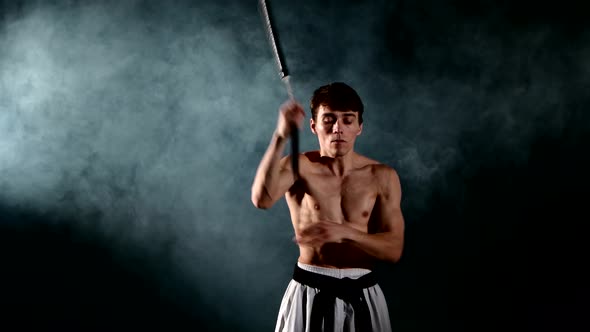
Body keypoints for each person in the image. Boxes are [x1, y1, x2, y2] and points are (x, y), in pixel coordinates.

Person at [251, 82, 404, 332]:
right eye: (329, 120)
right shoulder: (299, 167)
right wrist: (280, 136)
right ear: (314, 126)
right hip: (310, 290)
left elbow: (394, 249)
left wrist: (347, 233)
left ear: (359, 127)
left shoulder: (382, 176)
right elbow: (261, 199)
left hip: (363, 291)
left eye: (347, 120)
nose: (338, 129)